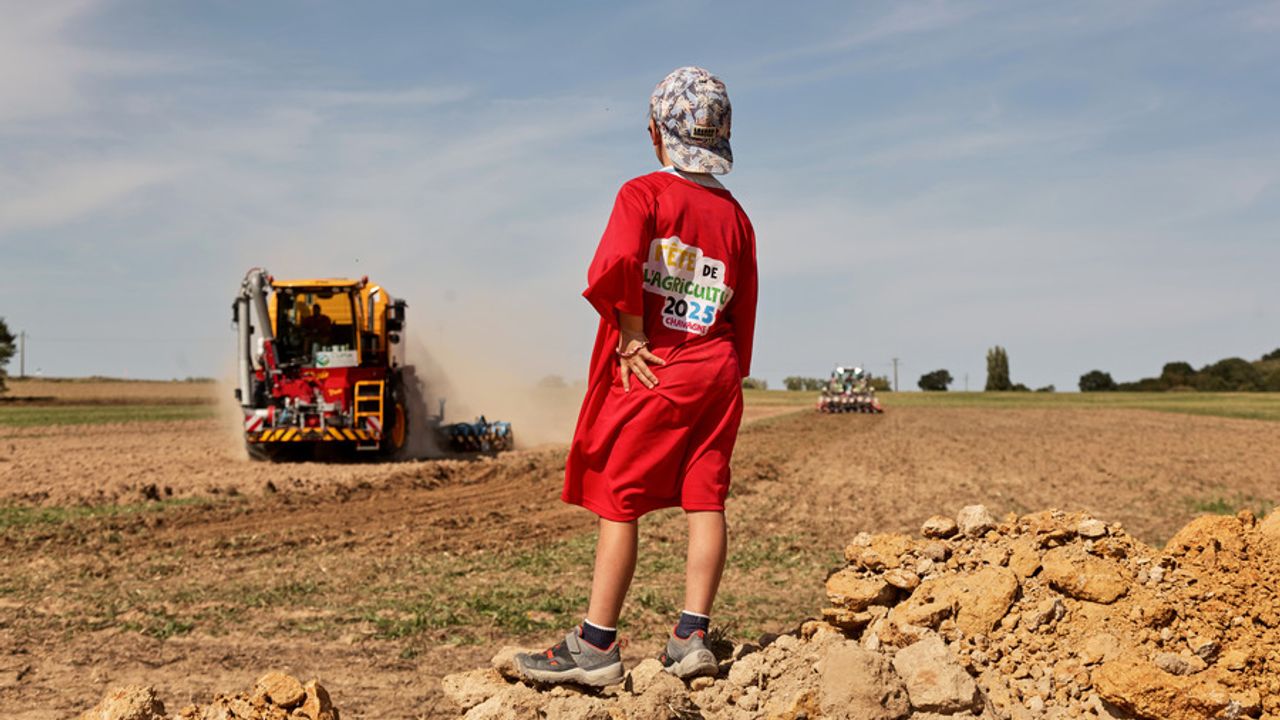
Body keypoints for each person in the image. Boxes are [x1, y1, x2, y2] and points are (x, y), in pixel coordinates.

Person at [517, 66, 758, 687]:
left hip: (657, 368)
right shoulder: (736, 217)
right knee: (706, 497)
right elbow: (744, 302)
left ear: (656, 132)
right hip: (717, 368)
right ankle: (691, 638)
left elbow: (620, 259)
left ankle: (596, 645)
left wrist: (631, 331)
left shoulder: (643, 194)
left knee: (619, 498)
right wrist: (730, 369)